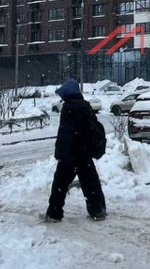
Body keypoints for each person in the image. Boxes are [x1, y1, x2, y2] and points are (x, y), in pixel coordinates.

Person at [46, 79, 107, 222]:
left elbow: (66, 133)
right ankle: (98, 211)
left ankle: (54, 214)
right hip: (84, 153)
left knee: (59, 185)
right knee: (91, 183)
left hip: (71, 155)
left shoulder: (68, 108)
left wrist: (61, 153)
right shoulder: (85, 106)